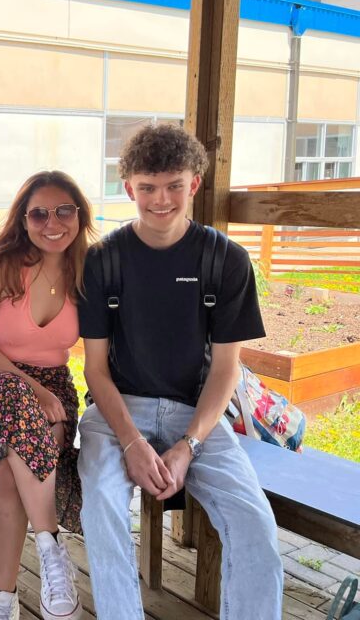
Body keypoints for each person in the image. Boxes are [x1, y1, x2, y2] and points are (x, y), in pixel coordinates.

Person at [77, 124, 281, 620]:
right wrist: (131, 442)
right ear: (129, 189)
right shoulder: (104, 260)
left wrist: (188, 445)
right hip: (118, 411)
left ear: (194, 184)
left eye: (173, 185)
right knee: (102, 508)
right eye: (147, 187)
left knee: (255, 522)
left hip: (199, 415)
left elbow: (227, 368)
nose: (160, 199)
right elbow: (96, 371)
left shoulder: (225, 260)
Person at [0, 171, 89, 620]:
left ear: (79, 214)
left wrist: (49, 395)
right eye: (39, 213)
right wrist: (33, 390)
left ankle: (2, 601)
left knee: (6, 470)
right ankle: (50, 544)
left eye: (64, 210)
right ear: (23, 220)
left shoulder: (88, 269)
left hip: (53, 386)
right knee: (12, 397)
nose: (53, 222)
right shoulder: (0, 263)